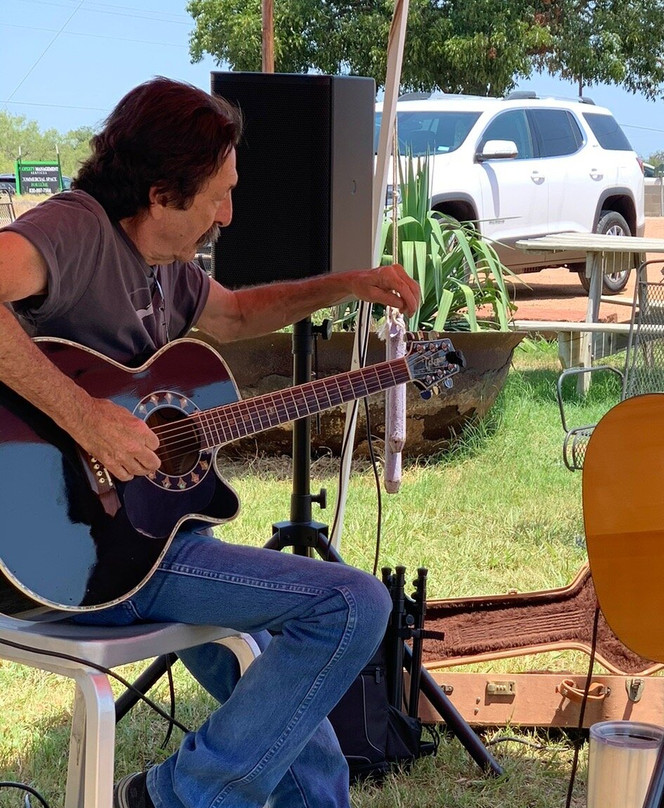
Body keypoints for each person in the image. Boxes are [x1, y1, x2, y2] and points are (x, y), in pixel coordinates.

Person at [0, 77, 421, 808]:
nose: (228, 214)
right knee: (352, 604)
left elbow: (234, 316)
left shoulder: (169, 266)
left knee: (285, 698)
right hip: (70, 553)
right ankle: (174, 798)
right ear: (162, 192)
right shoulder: (75, 229)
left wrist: (349, 284)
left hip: (147, 544)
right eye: (217, 196)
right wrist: (88, 418)